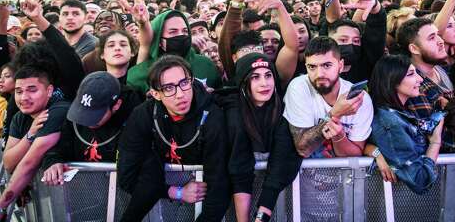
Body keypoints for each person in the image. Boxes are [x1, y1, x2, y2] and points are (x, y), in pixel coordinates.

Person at [118, 55, 229, 221]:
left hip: (204, 200)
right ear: (155, 93)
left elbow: (219, 184)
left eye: (184, 83)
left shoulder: (212, 116)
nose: (180, 94)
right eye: (169, 88)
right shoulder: (143, 115)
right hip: (159, 198)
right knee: (148, 161)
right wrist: (175, 191)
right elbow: (127, 176)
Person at [223, 53, 302, 222]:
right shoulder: (232, 112)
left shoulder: (284, 108)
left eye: (268, 75)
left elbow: (282, 161)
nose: (264, 83)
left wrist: (261, 218)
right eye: (255, 77)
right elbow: (240, 168)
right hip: (234, 195)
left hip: (278, 192)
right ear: (244, 82)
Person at [0, 66, 70, 221]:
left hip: (77, 197)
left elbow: (29, 163)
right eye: (19, 91)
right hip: (48, 199)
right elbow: (8, 162)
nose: (24, 97)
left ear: (49, 91)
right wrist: (30, 135)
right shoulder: (19, 118)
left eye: (32, 90)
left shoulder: (57, 110)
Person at [283, 36, 373, 158]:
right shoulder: (299, 87)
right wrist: (335, 114)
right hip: (306, 174)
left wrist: (339, 136)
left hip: (342, 173)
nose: (319, 74)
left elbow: (355, 154)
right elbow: (303, 149)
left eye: (326, 65)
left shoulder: (360, 99)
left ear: (340, 66)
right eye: (312, 67)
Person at [366, 55, 444, 194]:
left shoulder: (395, 114)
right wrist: (435, 142)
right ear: (393, 80)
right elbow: (420, 181)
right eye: (411, 74)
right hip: (399, 204)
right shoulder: (391, 122)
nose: (420, 79)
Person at [41, 72, 135, 185]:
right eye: (85, 111)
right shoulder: (75, 119)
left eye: (95, 113)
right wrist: (53, 162)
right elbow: (58, 148)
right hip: (82, 192)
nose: (87, 119)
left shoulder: (132, 122)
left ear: (116, 105)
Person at [127, 9, 221, 93]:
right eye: (173, 32)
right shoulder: (139, 75)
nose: (181, 36)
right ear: (159, 40)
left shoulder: (206, 64)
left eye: (185, 31)